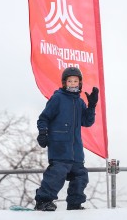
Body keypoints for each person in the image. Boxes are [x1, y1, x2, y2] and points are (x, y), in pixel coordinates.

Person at [34, 66, 99, 211]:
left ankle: (74, 204)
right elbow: (43, 118)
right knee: (57, 174)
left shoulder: (80, 102)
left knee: (81, 176)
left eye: (75, 81)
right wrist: (43, 133)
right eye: (70, 81)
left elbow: (87, 122)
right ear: (65, 83)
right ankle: (43, 201)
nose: (73, 83)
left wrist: (92, 105)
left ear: (80, 83)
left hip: (75, 151)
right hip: (60, 148)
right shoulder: (58, 98)